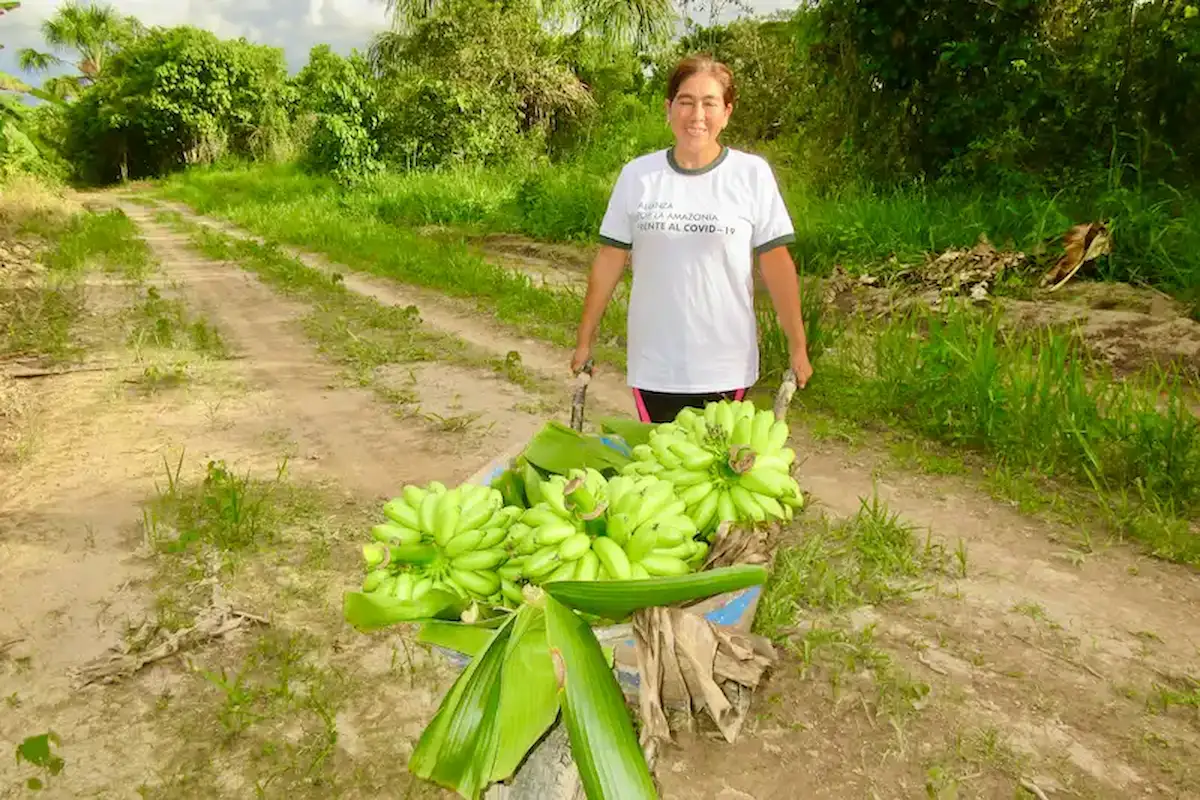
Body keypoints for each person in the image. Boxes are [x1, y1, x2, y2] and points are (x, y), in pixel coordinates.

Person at [570, 54, 814, 424]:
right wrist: (585, 339)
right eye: (685, 102)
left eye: (709, 103)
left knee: (711, 467)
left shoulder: (751, 175)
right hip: (654, 364)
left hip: (723, 364)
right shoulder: (638, 176)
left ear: (727, 112)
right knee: (659, 466)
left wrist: (798, 346)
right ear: (669, 108)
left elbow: (777, 265)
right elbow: (609, 261)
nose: (696, 115)